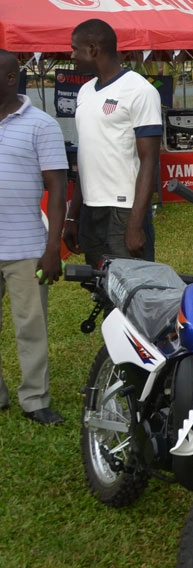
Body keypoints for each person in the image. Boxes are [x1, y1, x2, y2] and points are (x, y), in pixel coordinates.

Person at [0, 51, 68, 425]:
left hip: (26, 248)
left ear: (11, 79)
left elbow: (57, 188)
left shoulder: (41, 125)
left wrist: (52, 248)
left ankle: (35, 399)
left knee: (31, 326)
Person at [63, 19, 162, 268]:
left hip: (124, 210)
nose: (71, 55)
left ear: (93, 49)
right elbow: (86, 158)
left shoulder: (139, 91)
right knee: (99, 290)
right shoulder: (85, 92)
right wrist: (73, 217)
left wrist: (136, 222)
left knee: (131, 292)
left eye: (75, 49)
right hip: (90, 210)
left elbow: (150, 160)